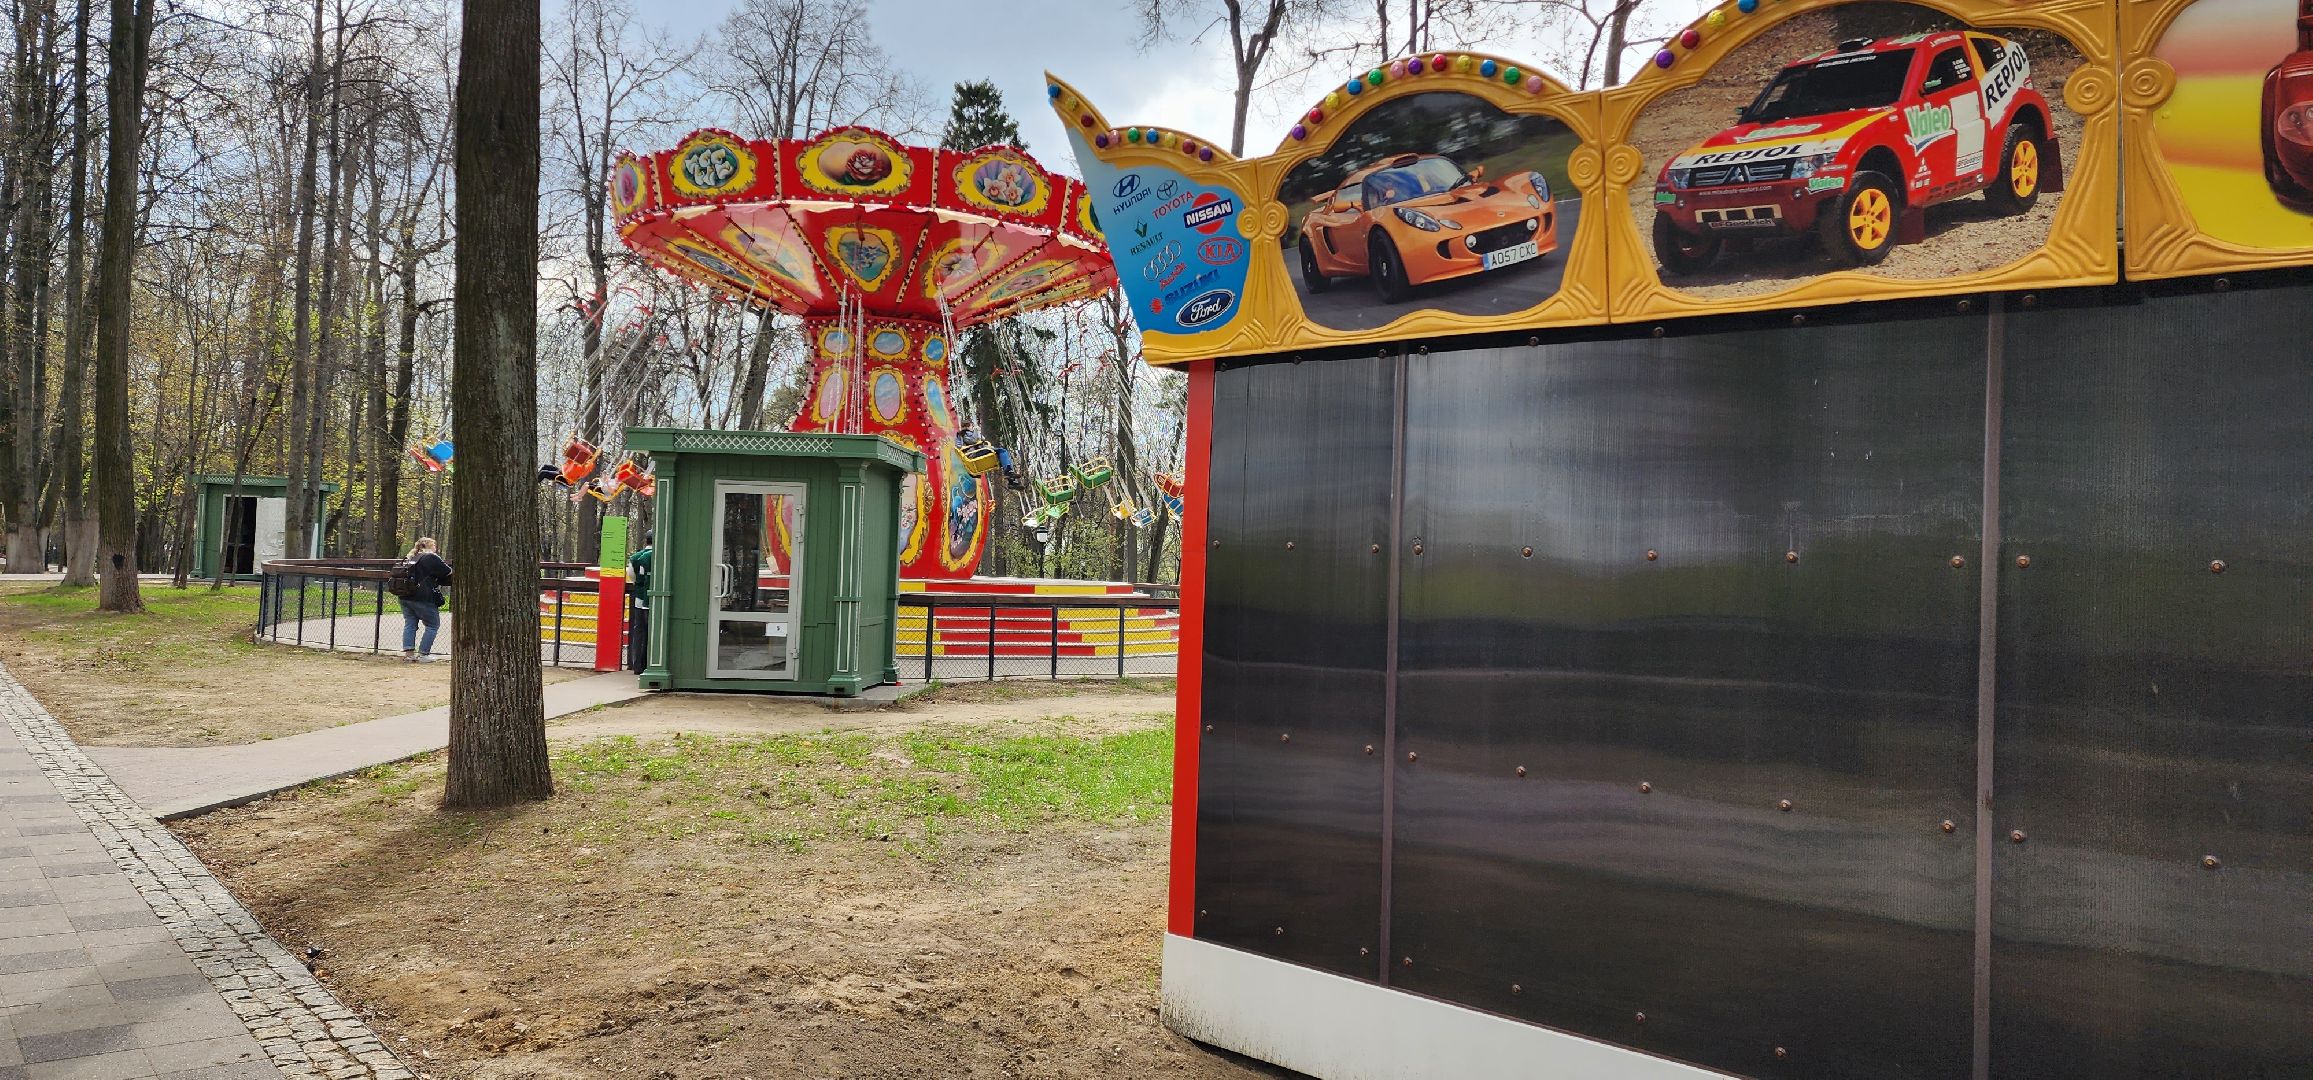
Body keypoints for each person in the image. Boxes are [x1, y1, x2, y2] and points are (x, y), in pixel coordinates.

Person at [399, 537, 452, 662]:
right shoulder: (430, 557)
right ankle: (423, 654)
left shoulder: (410, 557)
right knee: (433, 625)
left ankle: (409, 655)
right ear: (428, 546)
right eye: (434, 545)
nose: (435, 548)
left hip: (405, 596)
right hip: (423, 597)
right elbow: (447, 571)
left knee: (410, 624)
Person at [627, 531, 653, 673]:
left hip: (638, 599)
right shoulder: (657, 556)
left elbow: (631, 576)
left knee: (638, 632)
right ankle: (648, 663)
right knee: (650, 632)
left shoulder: (636, 558)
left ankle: (636, 664)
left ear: (646, 540)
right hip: (651, 601)